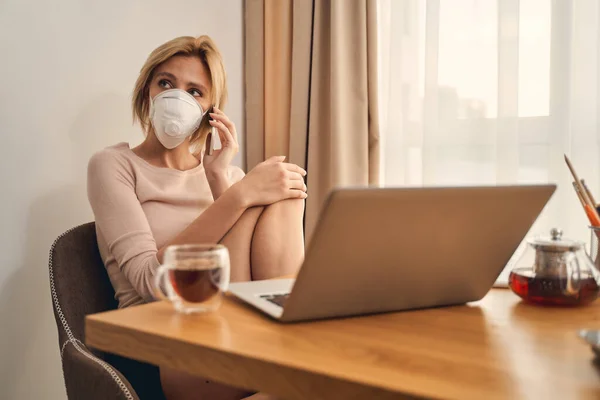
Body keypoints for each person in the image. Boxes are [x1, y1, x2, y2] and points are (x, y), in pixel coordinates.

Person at [87, 35, 306, 400]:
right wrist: (238, 197)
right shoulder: (113, 165)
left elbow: (247, 282)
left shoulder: (231, 180)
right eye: (166, 83)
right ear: (147, 93)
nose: (177, 98)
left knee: (284, 193)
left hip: (244, 337)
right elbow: (149, 282)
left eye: (195, 91)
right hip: (169, 346)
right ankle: (299, 357)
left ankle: (292, 348)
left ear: (210, 112)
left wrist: (223, 181)